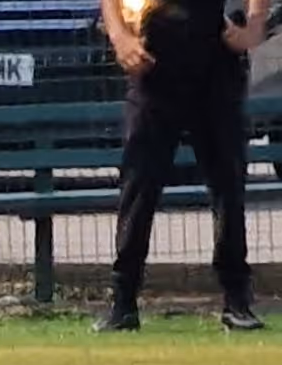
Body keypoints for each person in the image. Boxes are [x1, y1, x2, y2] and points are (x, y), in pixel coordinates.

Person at [95, 0, 268, 331]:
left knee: (227, 183)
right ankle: (123, 301)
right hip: (155, 59)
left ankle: (237, 302)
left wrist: (254, 25)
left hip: (215, 61)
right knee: (139, 184)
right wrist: (120, 39)